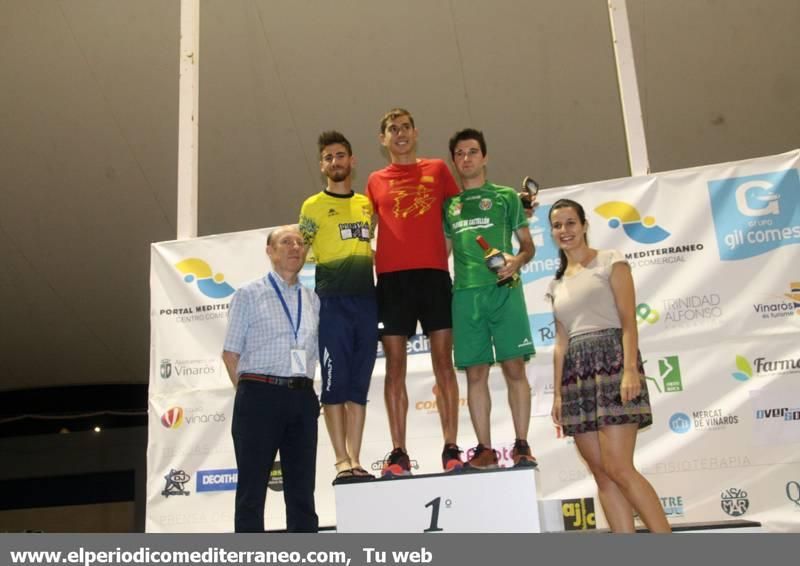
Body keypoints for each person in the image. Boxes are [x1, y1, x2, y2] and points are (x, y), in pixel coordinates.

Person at [547, 199, 671, 533]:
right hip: (576, 376)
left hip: (613, 364)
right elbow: (561, 343)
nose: (564, 231)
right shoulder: (556, 283)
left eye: (570, 223)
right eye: (557, 225)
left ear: (585, 225)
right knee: (602, 473)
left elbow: (629, 321)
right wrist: (558, 394)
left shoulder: (610, 261)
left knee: (619, 466)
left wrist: (630, 369)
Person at [366, 108, 463, 476]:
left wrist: (443, 251)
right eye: (392, 129)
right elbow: (363, 227)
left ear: (415, 132)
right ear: (383, 139)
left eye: (405, 127)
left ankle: (451, 447)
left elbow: (459, 215)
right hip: (392, 283)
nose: (400, 134)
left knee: (443, 364)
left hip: (434, 278)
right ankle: (398, 452)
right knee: (395, 369)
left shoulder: (437, 169)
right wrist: (374, 256)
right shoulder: (375, 180)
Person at [443, 128, 538, 469]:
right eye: (459, 153)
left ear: (484, 157)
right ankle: (484, 448)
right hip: (466, 297)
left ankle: (522, 445)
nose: (466, 158)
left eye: (472, 152)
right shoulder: (449, 205)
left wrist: (516, 261)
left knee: (514, 368)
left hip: (504, 291)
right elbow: (442, 254)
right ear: (454, 161)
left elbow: (528, 246)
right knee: (475, 375)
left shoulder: (505, 197)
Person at [222, 225, 321, 533]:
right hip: (259, 395)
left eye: (300, 243)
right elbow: (230, 354)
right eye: (286, 242)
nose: (295, 247)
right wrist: (252, 396)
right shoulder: (248, 294)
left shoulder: (313, 299)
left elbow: (314, 355)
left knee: (303, 492)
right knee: (251, 492)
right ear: (270, 251)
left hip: (302, 398)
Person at [299, 131, 377, 485]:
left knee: (358, 385)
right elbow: (301, 250)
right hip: (332, 304)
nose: (335, 162)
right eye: (329, 157)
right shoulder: (312, 206)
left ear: (352, 160)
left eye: (341, 155)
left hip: (366, 302)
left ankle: (357, 459)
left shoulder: (365, 204)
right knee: (334, 385)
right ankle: (341, 460)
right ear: (322, 165)